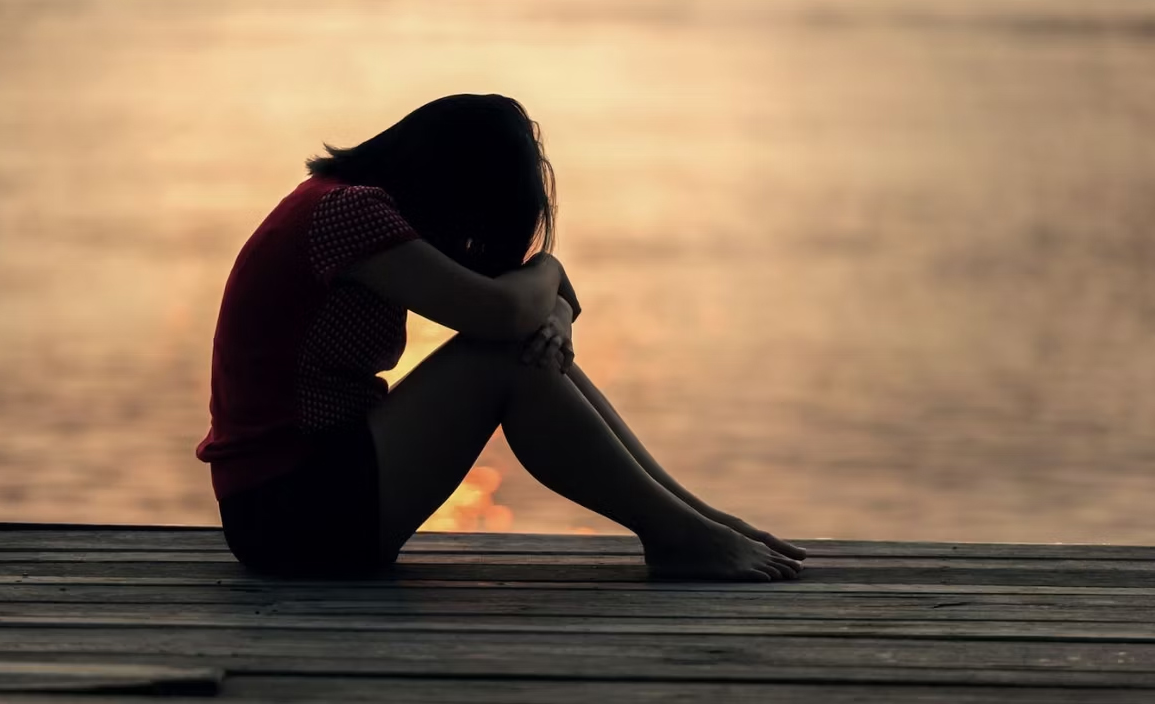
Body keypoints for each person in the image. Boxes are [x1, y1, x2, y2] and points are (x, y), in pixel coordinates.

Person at [197, 94, 805, 581]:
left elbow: (524, 309)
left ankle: (693, 521)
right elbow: (504, 310)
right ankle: (680, 534)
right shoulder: (350, 213)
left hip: (303, 500)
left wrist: (554, 314)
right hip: (291, 514)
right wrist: (549, 270)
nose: (469, 240)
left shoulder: (345, 207)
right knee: (502, 358)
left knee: (515, 349)